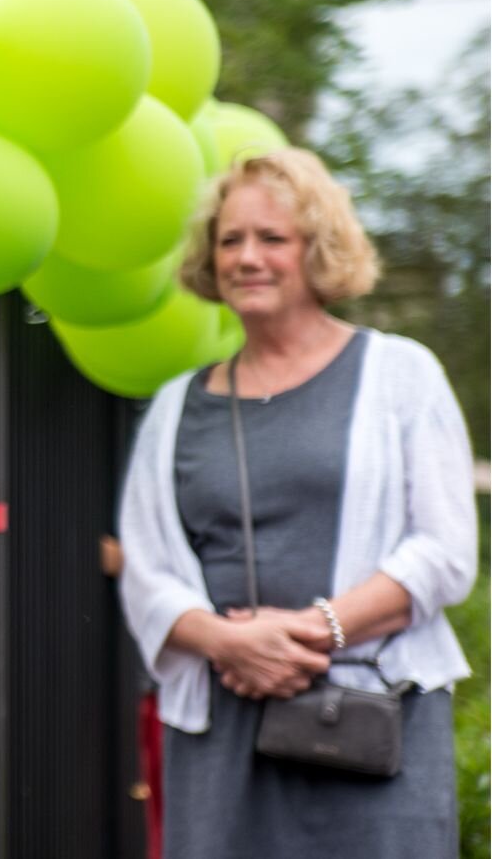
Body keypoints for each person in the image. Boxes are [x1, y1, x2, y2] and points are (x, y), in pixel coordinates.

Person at [117, 148, 477, 858]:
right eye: (230, 239)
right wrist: (228, 643)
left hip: (373, 725)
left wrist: (316, 633)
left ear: (320, 250)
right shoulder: (174, 407)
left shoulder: (402, 375)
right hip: (221, 731)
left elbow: (443, 551)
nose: (247, 257)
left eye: (272, 238)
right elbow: (145, 571)